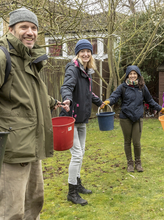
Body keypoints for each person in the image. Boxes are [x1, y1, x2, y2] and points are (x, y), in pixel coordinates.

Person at [0, 8, 62, 219]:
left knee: (34, 204)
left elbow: (32, 96)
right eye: (23, 27)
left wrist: (54, 103)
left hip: (31, 148)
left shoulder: (30, 60)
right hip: (10, 150)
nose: (30, 32)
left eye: (33, 28)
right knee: (10, 212)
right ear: (10, 29)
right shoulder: (0, 57)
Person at [60, 39, 103, 206]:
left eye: (88, 51)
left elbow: (87, 93)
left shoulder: (86, 71)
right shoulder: (73, 68)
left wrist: (100, 102)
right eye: (82, 51)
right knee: (76, 155)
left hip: (82, 119)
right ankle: (71, 192)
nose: (86, 54)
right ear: (77, 53)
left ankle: (77, 184)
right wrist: (67, 99)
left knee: (81, 153)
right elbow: (67, 87)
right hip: (71, 117)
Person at [101, 65, 164, 172]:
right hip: (125, 117)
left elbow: (150, 100)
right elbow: (115, 96)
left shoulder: (142, 87)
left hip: (138, 117)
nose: (132, 76)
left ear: (138, 75)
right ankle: (130, 163)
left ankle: (138, 162)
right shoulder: (122, 87)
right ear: (127, 75)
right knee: (127, 141)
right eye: (130, 74)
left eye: (134, 74)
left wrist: (160, 109)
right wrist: (108, 101)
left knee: (136, 141)